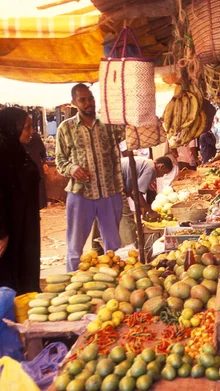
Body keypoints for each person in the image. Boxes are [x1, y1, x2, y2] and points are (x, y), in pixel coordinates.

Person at [55, 84, 124, 272]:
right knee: (75, 247)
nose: (88, 103)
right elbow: (60, 160)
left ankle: (115, 282)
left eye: (90, 98)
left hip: (109, 192)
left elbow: (129, 135)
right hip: (80, 195)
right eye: (82, 100)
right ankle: (72, 285)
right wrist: (71, 168)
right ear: (73, 103)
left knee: (113, 245)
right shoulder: (65, 128)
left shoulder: (108, 124)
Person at [0, 107, 41, 294]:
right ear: (12, 128)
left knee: (25, 269)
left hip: (24, 222)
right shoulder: (3, 153)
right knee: (10, 275)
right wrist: (2, 232)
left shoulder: (17, 151)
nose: (32, 131)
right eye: (27, 127)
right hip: (10, 228)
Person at [119, 156, 173, 246]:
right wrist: (150, 210)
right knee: (127, 219)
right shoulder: (151, 169)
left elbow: (133, 191)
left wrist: (141, 206)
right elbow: (136, 193)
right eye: (164, 173)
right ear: (161, 166)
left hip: (112, 182)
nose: (161, 176)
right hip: (115, 185)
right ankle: (130, 247)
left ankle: (97, 247)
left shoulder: (146, 163)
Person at [25, 131, 49, 209]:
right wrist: (44, 162)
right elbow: (43, 151)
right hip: (35, 164)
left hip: (28, 164)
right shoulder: (35, 136)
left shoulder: (19, 136)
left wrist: (44, 163)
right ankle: (40, 204)